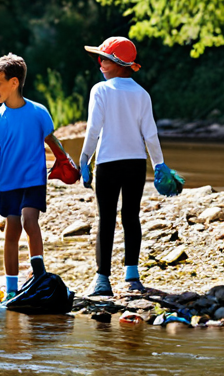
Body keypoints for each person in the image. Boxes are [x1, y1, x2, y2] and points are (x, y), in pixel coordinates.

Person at [0, 54, 73, 299]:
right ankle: (11, 289)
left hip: (34, 179)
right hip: (8, 182)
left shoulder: (38, 112)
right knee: (12, 230)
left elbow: (52, 140)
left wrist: (65, 161)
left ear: (14, 82)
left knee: (30, 221)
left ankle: (38, 274)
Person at [80, 36, 169, 297]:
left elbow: (93, 129)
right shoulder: (142, 94)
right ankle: (132, 276)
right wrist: (159, 165)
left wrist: (85, 159)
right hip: (136, 164)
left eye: (104, 59)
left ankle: (102, 280)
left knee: (105, 218)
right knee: (131, 217)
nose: (99, 63)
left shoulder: (100, 90)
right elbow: (150, 134)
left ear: (119, 64)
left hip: (108, 163)